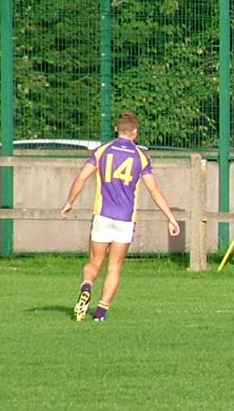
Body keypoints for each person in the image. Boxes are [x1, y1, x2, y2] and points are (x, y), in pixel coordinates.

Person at [60, 112, 181, 322]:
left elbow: (82, 177)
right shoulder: (141, 157)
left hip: (102, 215)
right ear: (135, 133)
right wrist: (170, 217)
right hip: (125, 219)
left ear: (117, 129)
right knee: (115, 266)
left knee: (94, 262)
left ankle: (87, 286)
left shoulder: (102, 151)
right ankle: (100, 314)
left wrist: (70, 202)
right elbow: (154, 191)